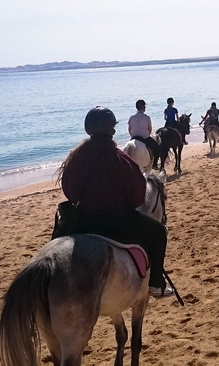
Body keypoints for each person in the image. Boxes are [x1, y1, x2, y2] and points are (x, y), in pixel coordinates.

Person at [54, 106, 174, 296]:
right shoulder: (121, 160)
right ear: (111, 130)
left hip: (83, 220)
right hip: (117, 221)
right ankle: (155, 283)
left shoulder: (76, 158)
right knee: (159, 232)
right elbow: (137, 196)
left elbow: (69, 190)